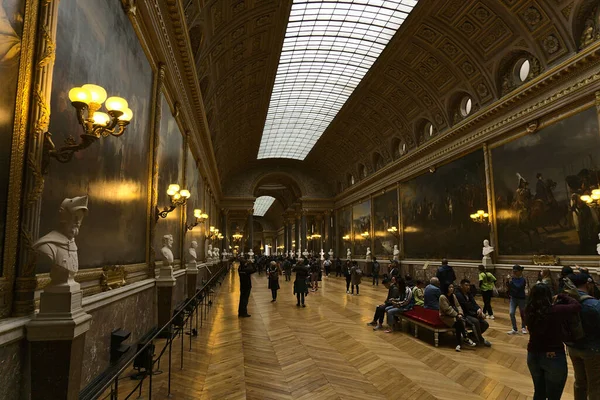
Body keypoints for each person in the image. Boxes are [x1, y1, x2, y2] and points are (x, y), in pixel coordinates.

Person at [525, 283, 581, 400]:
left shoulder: (527, 311)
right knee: (554, 396)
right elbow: (576, 306)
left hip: (533, 355)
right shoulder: (556, 310)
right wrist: (562, 296)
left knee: (539, 392)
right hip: (553, 356)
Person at [564, 273, 600, 400]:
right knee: (595, 385)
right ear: (587, 284)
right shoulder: (594, 304)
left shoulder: (565, 300)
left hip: (573, 348)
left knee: (579, 382)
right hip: (592, 349)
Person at [439, 283, 476, 352]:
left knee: (459, 323)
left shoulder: (453, 296)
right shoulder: (442, 297)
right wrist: (457, 315)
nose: (451, 289)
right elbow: (447, 309)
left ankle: (459, 344)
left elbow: (458, 305)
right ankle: (465, 338)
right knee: (459, 323)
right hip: (445, 316)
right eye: (450, 287)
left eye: (452, 287)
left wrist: (460, 313)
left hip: (455, 315)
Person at [455, 279, 491, 346]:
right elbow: (467, 306)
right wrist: (476, 314)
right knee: (475, 322)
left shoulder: (469, 293)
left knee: (485, 324)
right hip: (464, 314)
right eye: (466, 285)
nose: (468, 287)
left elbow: (474, 303)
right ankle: (481, 340)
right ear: (461, 286)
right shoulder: (458, 294)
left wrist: (479, 309)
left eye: (469, 285)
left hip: (472, 313)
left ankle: (470, 336)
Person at [507, 265, 528, 335]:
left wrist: (510, 282)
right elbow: (510, 288)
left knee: (523, 314)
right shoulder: (512, 279)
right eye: (514, 271)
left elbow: (518, 287)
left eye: (516, 271)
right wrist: (508, 282)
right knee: (511, 313)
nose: (514, 273)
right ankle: (514, 328)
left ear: (520, 272)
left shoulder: (522, 280)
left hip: (521, 299)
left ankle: (523, 327)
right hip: (513, 298)